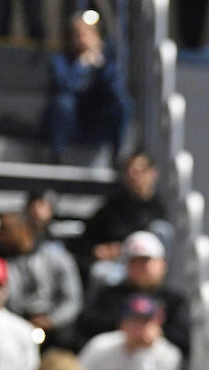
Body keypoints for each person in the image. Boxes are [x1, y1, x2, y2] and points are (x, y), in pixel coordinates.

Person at [77, 231, 190, 354]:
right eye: (134, 261)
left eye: (145, 261)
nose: (140, 267)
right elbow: (84, 324)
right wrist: (126, 326)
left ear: (162, 263)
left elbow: (185, 341)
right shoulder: (110, 294)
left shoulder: (174, 300)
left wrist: (156, 332)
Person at [44, 11, 130, 163]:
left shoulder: (107, 63)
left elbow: (116, 93)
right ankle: (57, 156)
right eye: (77, 34)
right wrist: (81, 65)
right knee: (64, 103)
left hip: (96, 123)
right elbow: (64, 88)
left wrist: (101, 66)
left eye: (88, 33)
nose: (82, 39)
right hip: (72, 123)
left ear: (99, 38)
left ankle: (117, 157)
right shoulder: (60, 61)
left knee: (123, 104)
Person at [73, 151, 170, 283]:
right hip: (113, 265)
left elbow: (153, 246)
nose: (132, 175)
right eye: (128, 170)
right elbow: (86, 239)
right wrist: (99, 250)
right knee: (100, 272)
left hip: (143, 266)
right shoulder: (113, 206)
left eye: (138, 170)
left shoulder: (158, 210)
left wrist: (124, 250)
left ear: (152, 173)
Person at [0, 212, 83, 348]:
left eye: (9, 230)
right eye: (1, 231)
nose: (3, 237)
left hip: (54, 322)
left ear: (26, 229)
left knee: (67, 339)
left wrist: (52, 320)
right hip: (17, 322)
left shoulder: (56, 257)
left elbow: (72, 300)